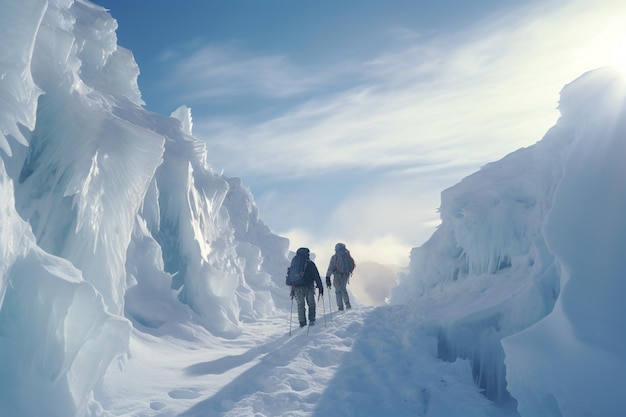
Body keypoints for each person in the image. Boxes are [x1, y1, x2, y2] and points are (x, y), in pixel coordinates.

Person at [286, 247, 323, 327]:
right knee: (311, 304)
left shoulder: (294, 262)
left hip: (296, 287)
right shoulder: (310, 263)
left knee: (300, 305)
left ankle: (302, 322)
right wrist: (320, 286)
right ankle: (312, 320)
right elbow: (316, 275)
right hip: (308, 286)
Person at [325, 243, 355, 311]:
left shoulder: (334, 257)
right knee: (343, 289)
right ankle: (348, 305)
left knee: (338, 291)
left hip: (337, 275)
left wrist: (328, 277)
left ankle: (340, 307)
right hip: (346, 274)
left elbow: (331, 267)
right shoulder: (347, 255)